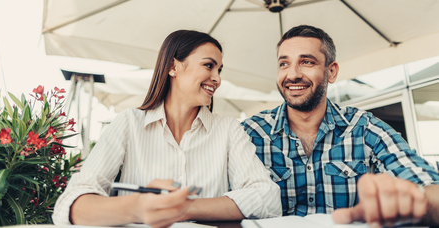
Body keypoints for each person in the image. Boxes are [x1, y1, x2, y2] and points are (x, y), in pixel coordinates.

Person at [53, 30, 281, 227]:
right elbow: (71, 205)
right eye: (209, 66)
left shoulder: (229, 130)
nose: (217, 78)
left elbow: (268, 198)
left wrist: (183, 208)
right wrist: (138, 207)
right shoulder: (129, 123)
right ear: (173, 66)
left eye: (219, 70)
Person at [242, 25, 439, 227]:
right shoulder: (249, 134)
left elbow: (430, 187)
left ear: (332, 71)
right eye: (284, 64)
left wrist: (416, 199)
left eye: (306, 62)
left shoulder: (364, 128)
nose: (292, 75)